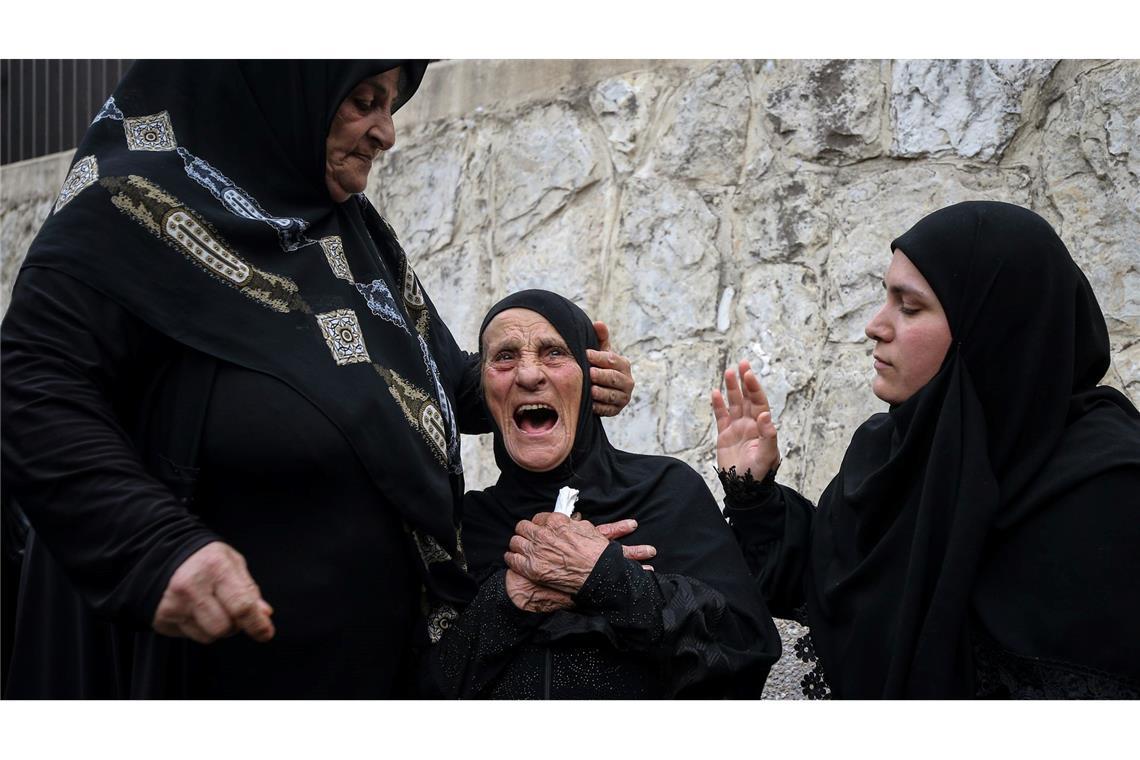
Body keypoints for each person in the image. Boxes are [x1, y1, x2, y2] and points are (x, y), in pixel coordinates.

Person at [1, 61, 635, 698]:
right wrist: (151, 547)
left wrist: (554, 379)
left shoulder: (348, 237)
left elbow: (435, 383)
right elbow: (32, 383)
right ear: (278, 92)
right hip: (205, 674)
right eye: (362, 100)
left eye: (391, 103)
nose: (385, 132)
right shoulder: (129, 208)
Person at [712, 200, 1140, 699]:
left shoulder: (1109, 490)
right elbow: (835, 584)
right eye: (885, 298)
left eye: (909, 306)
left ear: (989, 328)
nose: (876, 325)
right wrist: (754, 493)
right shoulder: (889, 451)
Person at [422, 290, 780, 698]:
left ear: (592, 379)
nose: (528, 375)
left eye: (553, 353)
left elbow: (747, 650)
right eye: (504, 357)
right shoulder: (467, 527)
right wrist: (507, 601)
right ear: (483, 392)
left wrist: (606, 579)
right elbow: (417, 690)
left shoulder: (664, 490)